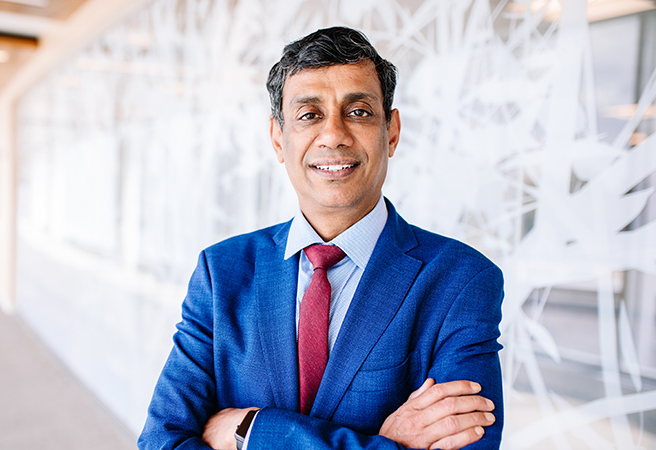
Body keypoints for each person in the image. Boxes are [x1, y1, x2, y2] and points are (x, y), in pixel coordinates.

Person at [139, 26, 503, 450]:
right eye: (310, 115)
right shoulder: (221, 273)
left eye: (359, 112)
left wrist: (250, 430)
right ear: (278, 139)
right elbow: (161, 441)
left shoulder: (462, 281)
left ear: (391, 132)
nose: (333, 135)